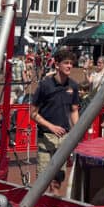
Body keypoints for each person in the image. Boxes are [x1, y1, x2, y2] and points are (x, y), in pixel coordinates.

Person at [31, 49, 80, 178]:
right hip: (46, 137)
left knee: (57, 181)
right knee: (42, 180)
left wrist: (77, 132)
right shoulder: (45, 85)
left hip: (64, 138)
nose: (69, 66)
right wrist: (51, 126)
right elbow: (33, 113)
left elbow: (74, 110)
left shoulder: (73, 86)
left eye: (71, 63)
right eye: (66, 63)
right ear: (57, 65)